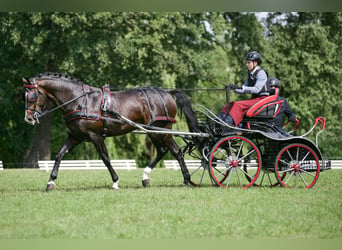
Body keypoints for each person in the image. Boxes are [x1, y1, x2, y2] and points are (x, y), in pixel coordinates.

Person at [218, 51, 270, 126]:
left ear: (255, 63)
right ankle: (218, 121)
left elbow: (256, 89)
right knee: (230, 104)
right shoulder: (250, 74)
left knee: (237, 105)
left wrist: (241, 87)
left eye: (249, 62)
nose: (247, 64)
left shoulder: (261, 73)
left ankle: (226, 125)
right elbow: (243, 90)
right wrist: (233, 88)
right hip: (254, 99)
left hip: (261, 100)